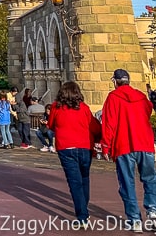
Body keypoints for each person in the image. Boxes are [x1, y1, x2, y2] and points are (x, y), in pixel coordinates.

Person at [101, 69, 156, 232]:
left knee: (127, 182)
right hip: (144, 143)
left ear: (115, 81)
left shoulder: (113, 98)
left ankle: (135, 219)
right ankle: (154, 211)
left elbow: (109, 124)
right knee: (150, 179)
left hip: (124, 145)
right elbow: (149, 111)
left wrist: (105, 146)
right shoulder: (141, 96)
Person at [48, 82, 102, 226]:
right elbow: (95, 127)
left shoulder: (56, 107)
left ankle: (82, 214)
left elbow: (51, 124)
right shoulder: (83, 108)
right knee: (84, 177)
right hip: (84, 146)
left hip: (66, 147)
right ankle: (83, 209)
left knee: (74, 182)